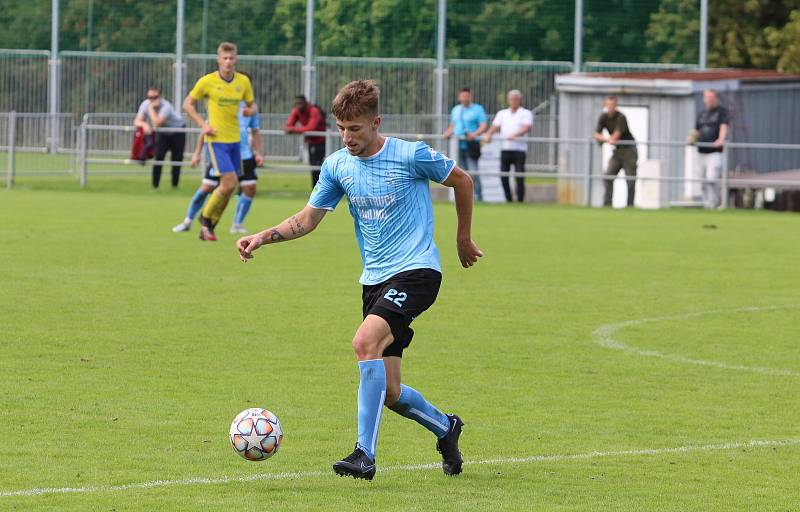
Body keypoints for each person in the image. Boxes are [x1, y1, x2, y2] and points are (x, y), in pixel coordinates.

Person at [236, 80, 483, 480]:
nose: (347, 137)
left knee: (363, 342)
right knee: (389, 392)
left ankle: (363, 454)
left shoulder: (410, 154)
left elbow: (462, 181)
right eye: (341, 128)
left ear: (376, 122)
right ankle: (446, 427)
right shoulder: (337, 166)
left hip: (418, 270)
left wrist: (462, 238)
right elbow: (306, 219)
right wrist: (263, 236)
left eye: (355, 128)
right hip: (374, 280)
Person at [183, 41, 257, 242]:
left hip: (235, 141)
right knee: (229, 183)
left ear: (236, 59)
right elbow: (187, 104)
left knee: (230, 187)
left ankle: (208, 228)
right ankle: (205, 218)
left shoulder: (243, 82)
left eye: (232, 58)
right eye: (224, 58)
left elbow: (252, 105)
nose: (228, 62)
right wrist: (202, 124)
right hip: (216, 140)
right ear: (218, 60)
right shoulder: (207, 81)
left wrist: (250, 110)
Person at [172, 98, 263, 234]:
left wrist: (259, 153)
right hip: (223, 155)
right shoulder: (222, 105)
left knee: (249, 189)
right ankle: (188, 221)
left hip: (244, 155)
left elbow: (255, 131)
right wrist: (197, 153)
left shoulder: (251, 108)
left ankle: (237, 224)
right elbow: (205, 129)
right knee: (206, 187)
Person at [484, 90, 533, 202]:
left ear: (520, 100)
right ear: (508, 100)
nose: (514, 101)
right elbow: (495, 126)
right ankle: (508, 199)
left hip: (519, 150)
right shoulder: (502, 113)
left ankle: (520, 200)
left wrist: (514, 135)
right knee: (504, 175)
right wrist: (488, 134)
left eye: (516, 99)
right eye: (512, 99)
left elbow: (526, 127)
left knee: (519, 176)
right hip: (505, 148)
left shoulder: (525, 113)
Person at [134, 86, 187, 188]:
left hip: (178, 131)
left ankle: (174, 186)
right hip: (163, 132)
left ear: (160, 97)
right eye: (150, 97)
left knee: (177, 159)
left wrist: (150, 109)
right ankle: (155, 186)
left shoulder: (165, 106)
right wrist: (144, 125)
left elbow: (157, 123)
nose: (152, 100)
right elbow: (137, 121)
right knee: (158, 157)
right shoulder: (145, 104)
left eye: (155, 97)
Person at [443, 87, 488, 201]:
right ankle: (464, 198)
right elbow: (453, 125)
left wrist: (474, 134)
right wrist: (448, 132)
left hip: (471, 145)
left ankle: (479, 197)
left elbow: (483, 126)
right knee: (459, 173)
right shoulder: (456, 109)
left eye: (467, 96)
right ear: (459, 97)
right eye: (463, 96)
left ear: (470, 97)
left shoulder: (478, 109)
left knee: (473, 172)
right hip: (457, 146)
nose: (465, 98)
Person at [593, 96, 637, 208]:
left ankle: (630, 206)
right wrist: (608, 139)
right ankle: (607, 205)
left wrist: (605, 139)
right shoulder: (603, 117)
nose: (610, 107)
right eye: (608, 105)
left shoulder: (621, 117)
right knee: (608, 177)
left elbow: (616, 136)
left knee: (630, 180)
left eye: (612, 105)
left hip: (629, 151)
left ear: (615, 105)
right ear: (605, 105)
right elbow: (596, 134)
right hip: (617, 152)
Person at [690, 89, 729, 209]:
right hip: (701, 150)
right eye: (707, 97)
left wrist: (721, 139)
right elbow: (696, 129)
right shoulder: (702, 113)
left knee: (712, 178)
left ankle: (715, 202)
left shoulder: (722, 112)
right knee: (702, 179)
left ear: (716, 98)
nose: (709, 100)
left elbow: (724, 126)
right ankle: (706, 203)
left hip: (714, 151)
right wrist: (691, 138)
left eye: (711, 97)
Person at [284, 95, 327, 188]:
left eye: (300, 103)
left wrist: (293, 130)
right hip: (311, 142)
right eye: (296, 104)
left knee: (318, 167)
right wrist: (292, 129)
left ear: (306, 103)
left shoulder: (313, 110)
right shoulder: (296, 110)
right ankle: (315, 190)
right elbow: (287, 126)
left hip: (321, 141)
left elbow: (311, 128)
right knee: (313, 167)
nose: (298, 105)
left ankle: (321, 189)